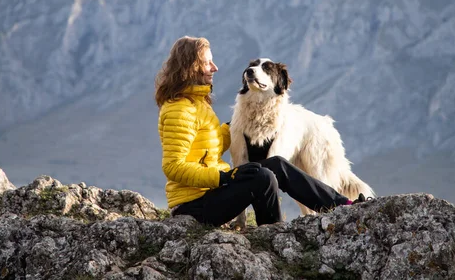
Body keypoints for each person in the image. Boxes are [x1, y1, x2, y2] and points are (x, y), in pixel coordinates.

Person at [155, 36, 368, 227]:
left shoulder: (198, 104)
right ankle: (274, 230)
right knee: (262, 177)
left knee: (276, 165)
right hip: (192, 207)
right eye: (207, 62)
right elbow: (173, 167)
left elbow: (210, 146)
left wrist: (237, 126)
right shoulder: (180, 110)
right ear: (190, 67)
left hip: (211, 195)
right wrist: (224, 177)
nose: (215, 67)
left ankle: (342, 205)